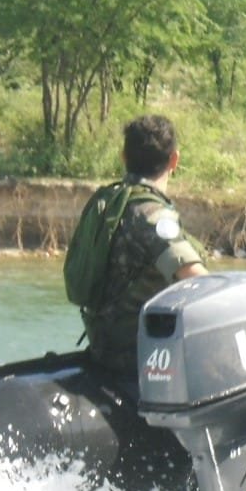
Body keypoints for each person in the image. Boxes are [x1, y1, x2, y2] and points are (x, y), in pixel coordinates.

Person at [70, 114, 209, 373]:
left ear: (124, 157)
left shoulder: (110, 203)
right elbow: (201, 283)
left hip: (102, 347)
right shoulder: (153, 216)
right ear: (174, 160)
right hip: (140, 359)